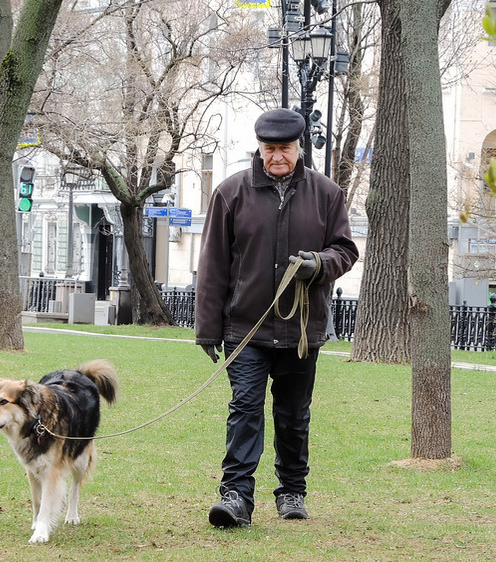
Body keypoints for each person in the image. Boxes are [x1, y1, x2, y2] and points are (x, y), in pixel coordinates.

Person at [195, 108, 359, 528]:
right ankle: (236, 497)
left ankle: (291, 492)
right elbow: (213, 264)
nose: (277, 157)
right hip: (245, 328)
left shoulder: (326, 193)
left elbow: (345, 250)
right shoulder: (231, 193)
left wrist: (318, 264)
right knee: (244, 409)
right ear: (260, 149)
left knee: (293, 414)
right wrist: (208, 328)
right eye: (270, 149)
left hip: (302, 331)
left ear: (298, 147)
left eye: (284, 148)